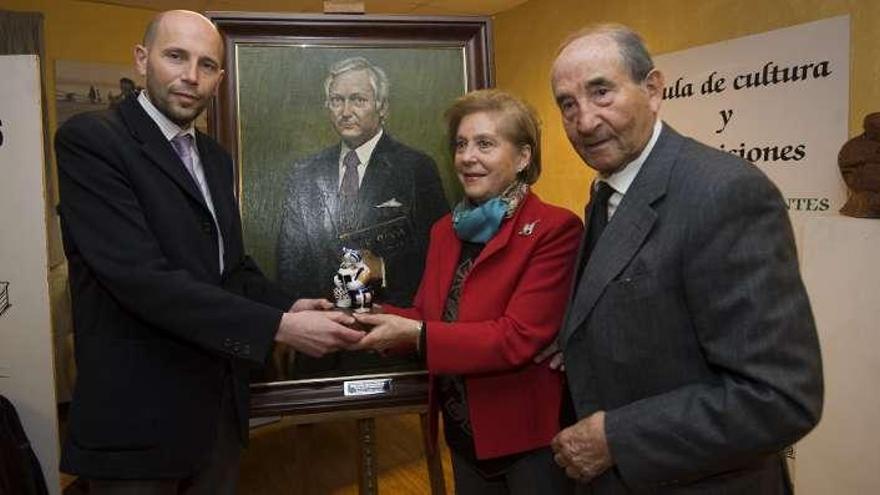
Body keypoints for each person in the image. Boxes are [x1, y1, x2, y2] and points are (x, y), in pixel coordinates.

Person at [55, 10, 364, 494]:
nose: (190, 77)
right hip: (137, 427)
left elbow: (231, 269)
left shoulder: (215, 159)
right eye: (176, 56)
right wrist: (281, 327)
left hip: (216, 415)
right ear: (142, 59)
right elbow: (142, 279)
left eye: (207, 65)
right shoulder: (93, 141)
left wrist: (287, 304)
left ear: (219, 77)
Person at [548, 24, 823, 493]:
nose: (585, 120)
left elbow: (779, 397)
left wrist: (616, 438)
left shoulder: (725, 192)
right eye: (567, 104)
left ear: (653, 89)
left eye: (601, 92)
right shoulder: (607, 191)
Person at [353, 89, 583, 494]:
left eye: (485, 144)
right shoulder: (446, 230)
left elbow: (517, 338)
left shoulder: (554, 230)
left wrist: (417, 334)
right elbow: (426, 315)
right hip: (462, 438)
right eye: (460, 144)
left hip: (527, 443)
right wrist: (364, 314)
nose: (467, 157)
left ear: (523, 158)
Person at [276, 56, 448, 376]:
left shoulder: (416, 168)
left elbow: (439, 256)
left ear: (381, 106)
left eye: (358, 99)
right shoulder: (304, 173)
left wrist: (381, 268)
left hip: (389, 340)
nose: (345, 110)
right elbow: (289, 262)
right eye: (337, 100)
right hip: (320, 341)